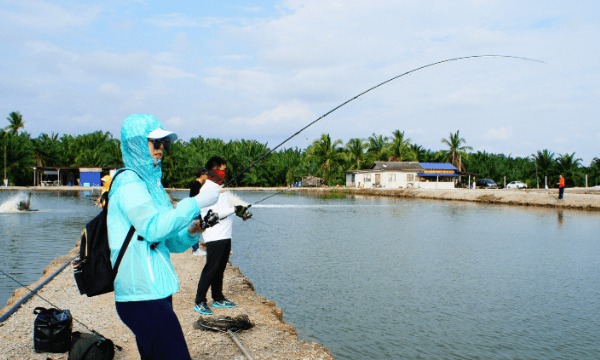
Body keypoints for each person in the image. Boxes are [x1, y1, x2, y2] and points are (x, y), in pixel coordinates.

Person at [107, 114, 220, 360]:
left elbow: (167, 241)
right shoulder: (129, 183)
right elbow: (152, 228)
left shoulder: (151, 186)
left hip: (156, 291)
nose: (160, 150)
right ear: (136, 144)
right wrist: (196, 202)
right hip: (140, 295)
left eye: (163, 144)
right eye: (154, 143)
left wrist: (192, 232)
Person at [194, 156, 249, 315]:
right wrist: (235, 209)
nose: (225, 173)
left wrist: (240, 212)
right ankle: (199, 301)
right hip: (215, 235)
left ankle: (217, 297)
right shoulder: (207, 189)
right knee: (211, 268)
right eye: (223, 170)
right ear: (213, 171)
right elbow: (213, 214)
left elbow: (224, 208)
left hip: (225, 235)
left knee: (220, 268)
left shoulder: (219, 187)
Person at [190, 167, 209, 255]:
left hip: (195, 209)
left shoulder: (196, 184)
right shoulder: (197, 185)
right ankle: (195, 250)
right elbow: (197, 199)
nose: (207, 176)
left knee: (198, 228)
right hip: (195, 210)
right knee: (197, 229)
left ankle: (196, 248)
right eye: (206, 174)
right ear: (202, 175)